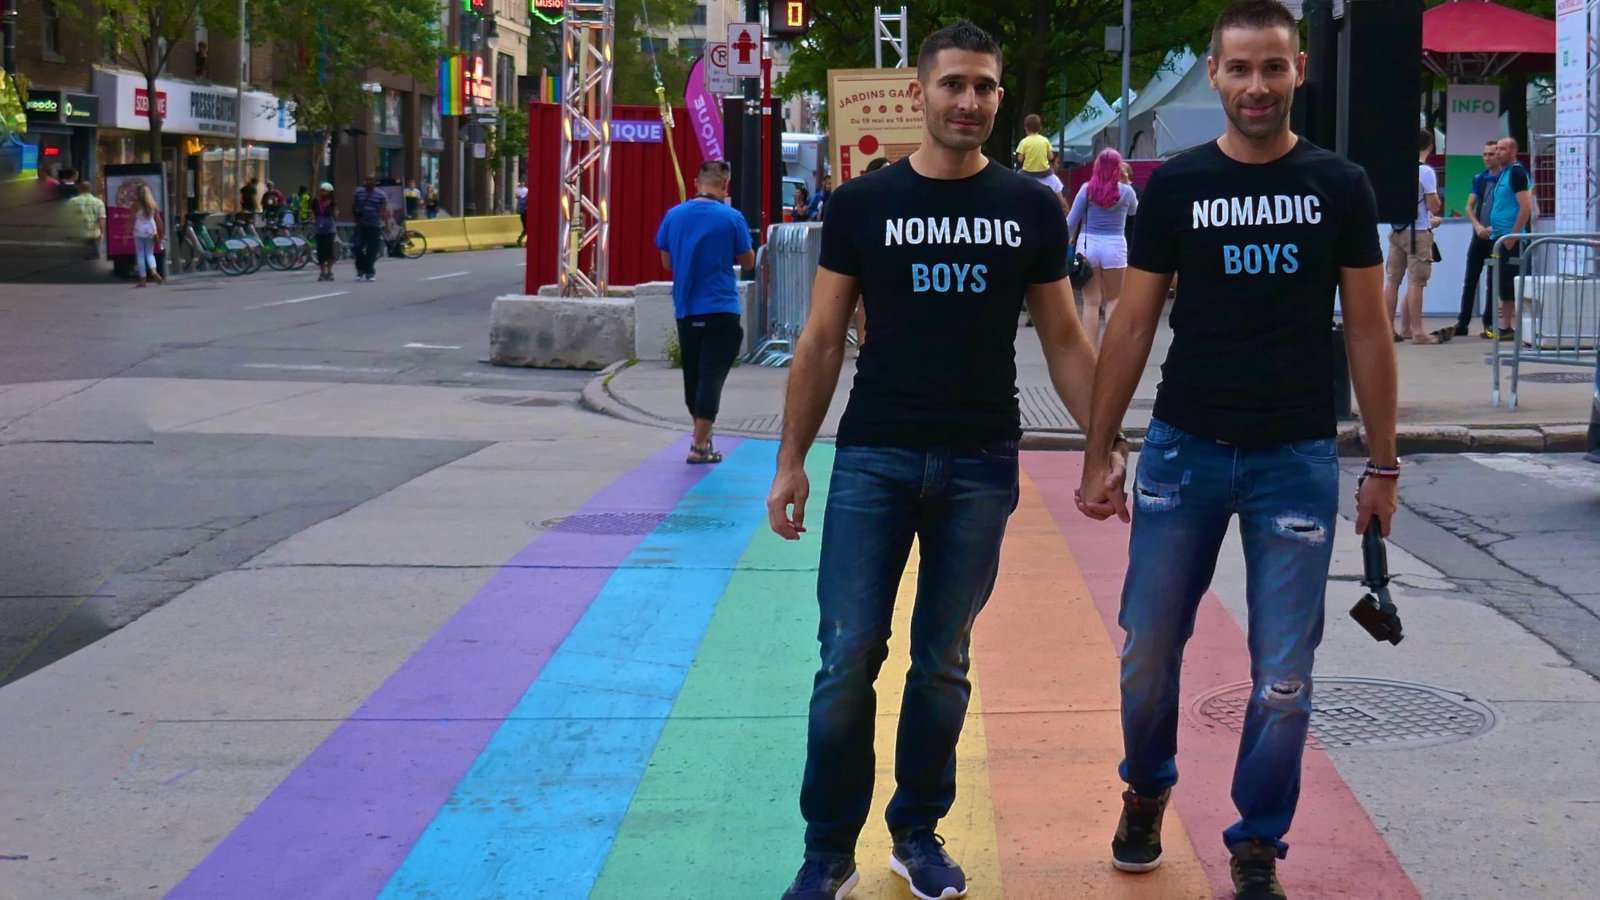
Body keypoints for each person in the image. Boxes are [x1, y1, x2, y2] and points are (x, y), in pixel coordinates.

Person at [770, 21, 1122, 900]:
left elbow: (1067, 342)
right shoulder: (863, 204)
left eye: (986, 88)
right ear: (920, 92)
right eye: (955, 85)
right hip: (873, 459)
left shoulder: (1030, 207)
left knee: (942, 662)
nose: (970, 102)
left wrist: (1100, 446)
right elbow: (817, 343)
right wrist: (789, 463)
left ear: (1000, 101)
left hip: (978, 464)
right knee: (847, 656)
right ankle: (826, 852)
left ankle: (917, 832)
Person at [1078, 4, 1399, 899]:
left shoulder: (1341, 184)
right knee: (1148, 649)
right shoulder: (1175, 186)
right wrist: (1097, 450)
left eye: (1273, 68)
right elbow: (1133, 320)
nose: (1257, 86)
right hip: (1184, 453)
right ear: (1214, 77)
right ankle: (1147, 788)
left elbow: (1369, 332)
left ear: (1299, 70)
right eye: (1240, 69)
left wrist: (1383, 463)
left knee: (1285, 674)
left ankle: (1257, 843)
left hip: (1294, 459)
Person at [654, 160, 755, 464]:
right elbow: (748, 261)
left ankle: (703, 437)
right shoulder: (731, 218)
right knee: (712, 377)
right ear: (725, 185)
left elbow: (666, 263)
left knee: (694, 379)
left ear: (696, 181)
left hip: (686, 309)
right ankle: (699, 446)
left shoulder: (673, 216)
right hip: (721, 308)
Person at [1067, 148, 1139, 348]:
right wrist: (1125, 183)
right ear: (1119, 168)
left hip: (1088, 246)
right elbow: (1135, 212)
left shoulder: (1086, 189)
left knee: (1091, 302)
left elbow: (1071, 222)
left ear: (1097, 167)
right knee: (1114, 299)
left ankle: (1091, 352)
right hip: (1115, 248)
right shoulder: (1126, 192)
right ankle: (1113, 349)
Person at [1383, 129, 1445, 344]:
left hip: (1397, 229)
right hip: (1418, 231)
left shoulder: (1396, 168)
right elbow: (1433, 204)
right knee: (1417, 281)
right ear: (1430, 146)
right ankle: (1418, 331)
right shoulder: (1425, 171)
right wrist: (1434, 213)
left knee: (1392, 281)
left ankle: (1388, 329)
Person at [1486, 136, 1534, 341]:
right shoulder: (1504, 173)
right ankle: (1505, 324)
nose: (1498, 153)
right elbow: (1504, 206)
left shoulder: (1516, 173)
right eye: (1497, 149)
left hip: (1510, 239)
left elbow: (1525, 207)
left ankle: (1508, 325)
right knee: (1502, 279)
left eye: (1502, 149)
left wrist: (1514, 235)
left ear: (1513, 151)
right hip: (1499, 236)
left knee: (1509, 281)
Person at [1456, 139, 1502, 337]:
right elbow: (1469, 206)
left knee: (1493, 279)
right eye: (1484, 154)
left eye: (1491, 154)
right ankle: (1463, 322)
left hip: (1496, 235)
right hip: (1480, 234)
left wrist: (1494, 227)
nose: (1487, 158)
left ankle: (1489, 322)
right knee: (1470, 278)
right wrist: (1477, 225)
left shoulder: (1506, 178)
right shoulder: (1480, 178)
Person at [351, 175, 390, 282]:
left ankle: (369, 272)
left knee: (371, 250)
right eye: (367, 180)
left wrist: (386, 225)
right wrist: (355, 219)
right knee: (357, 248)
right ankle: (361, 269)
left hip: (374, 225)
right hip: (360, 225)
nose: (369, 182)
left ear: (375, 182)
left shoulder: (381, 194)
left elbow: (384, 210)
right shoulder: (358, 192)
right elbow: (354, 206)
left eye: (371, 180)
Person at [130, 184, 165, 287]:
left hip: (139, 231)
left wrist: (125, 232)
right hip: (151, 231)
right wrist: (161, 232)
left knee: (140, 254)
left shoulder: (135, 204)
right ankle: (154, 271)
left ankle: (143, 280)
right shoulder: (153, 204)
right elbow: (159, 220)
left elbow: (131, 219)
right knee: (150, 253)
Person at [65, 179, 106, 260]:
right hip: (92, 234)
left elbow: (67, 217)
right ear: (90, 189)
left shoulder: (72, 201)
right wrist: (101, 233)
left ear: (79, 189)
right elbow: (101, 219)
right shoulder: (98, 202)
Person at [312, 182, 338, 282]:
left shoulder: (333, 202)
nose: (322, 192)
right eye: (321, 190)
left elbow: (335, 214)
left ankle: (330, 271)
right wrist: (313, 219)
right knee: (321, 252)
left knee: (329, 251)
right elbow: (313, 213)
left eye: (324, 190)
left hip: (329, 229)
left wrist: (334, 211)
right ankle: (322, 272)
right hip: (319, 229)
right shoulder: (316, 201)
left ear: (329, 192)